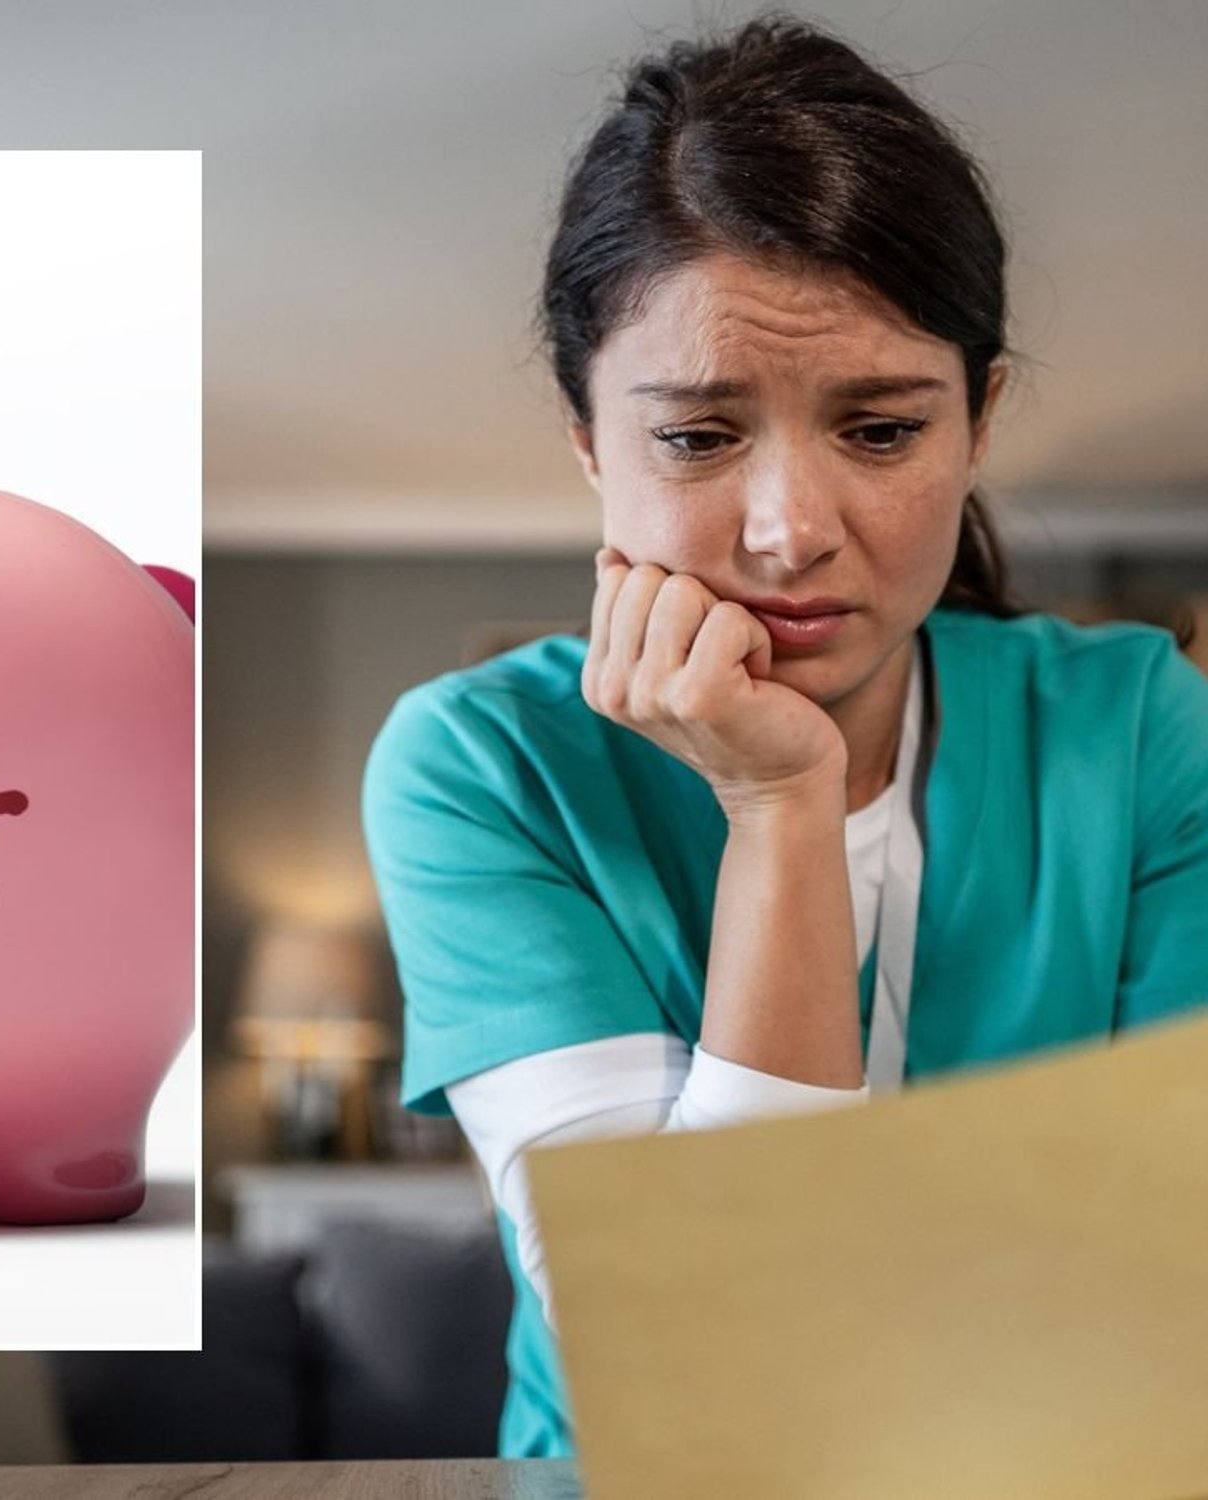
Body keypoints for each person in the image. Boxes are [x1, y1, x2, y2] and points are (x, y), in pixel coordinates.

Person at [360, 13, 1208, 1463]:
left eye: (880, 431)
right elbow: (701, 1341)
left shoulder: (1135, 725)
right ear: (586, 440)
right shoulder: (479, 764)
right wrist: (779, 808)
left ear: (980, 419)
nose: (792, 531)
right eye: (696, 436)